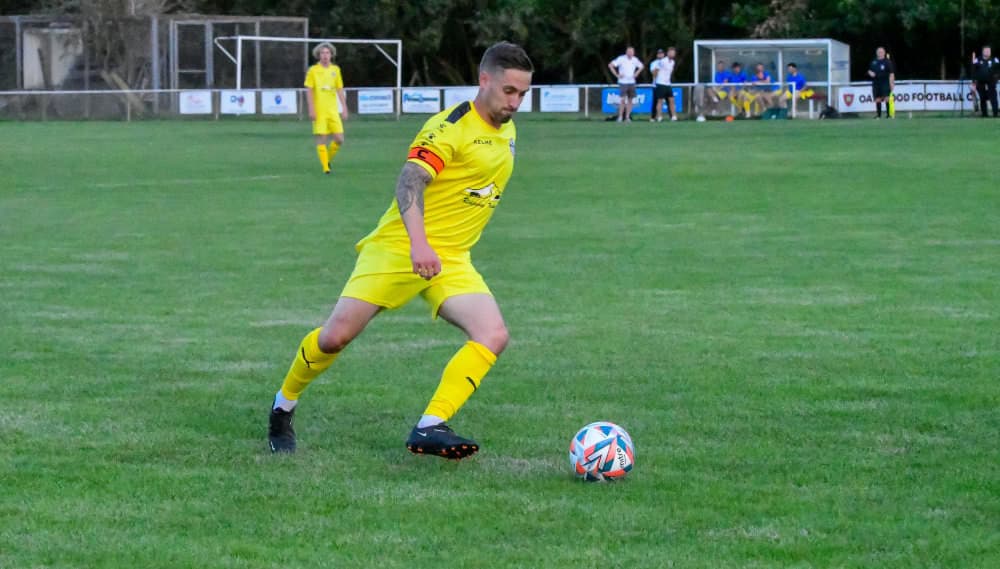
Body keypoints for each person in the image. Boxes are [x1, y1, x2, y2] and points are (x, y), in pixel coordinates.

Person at [267, 42, 534, 459]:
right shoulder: (450, 127)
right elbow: (409, 180)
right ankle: (282, 407)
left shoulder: (507, 129)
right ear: (484, 80)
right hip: (399, 246)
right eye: (509, 91)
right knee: (335, 338)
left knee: (493, 335)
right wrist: (419, 243)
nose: (515, 103)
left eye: (522, 94)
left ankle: (430, 426)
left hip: (451, 258)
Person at [305, 43, 348, 174]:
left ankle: (326, 160)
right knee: (322, 137)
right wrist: (311, 109)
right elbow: (309, 90)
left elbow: (339, 89)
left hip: (332, 110)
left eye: (327, 53)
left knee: (339, 139)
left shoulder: (336, 70)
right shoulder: (313, 70)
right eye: (322, 53)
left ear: (331, 55)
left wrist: (344, 108)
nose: (325, 55)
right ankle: (326, 168)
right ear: (318, 55)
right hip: (320, 110)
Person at [608, 47, 643, 122]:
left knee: (630, 100)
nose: (630, 53)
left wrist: (637, 73)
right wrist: (617, 75)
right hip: (623, 82)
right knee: (623, 100)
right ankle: (620, 117)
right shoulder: (621, 58)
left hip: (632, 82)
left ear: (633, 53)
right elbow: (610, 65)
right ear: (626, 52)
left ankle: (627, 117)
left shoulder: (635, 59)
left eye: (632, 52)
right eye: (629, 52)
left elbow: (641, 66)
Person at [649, 47, 678, 122]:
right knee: (660, 101)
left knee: (671, 100)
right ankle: (659, 116)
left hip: (668, 84)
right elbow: (655, 71)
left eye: (673, 53)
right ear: (668, 53)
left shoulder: (672, 62)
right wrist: (656, 80)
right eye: (671, 52)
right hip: (660, 83)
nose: (672, 54)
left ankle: (674, 116)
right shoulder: (662, 61)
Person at [867, 47, 895, 119]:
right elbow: (869, 70)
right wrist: (870, 73)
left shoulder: (887, 62)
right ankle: (878, 115)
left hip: (885, 83)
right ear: (876, 53)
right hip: (876, 83)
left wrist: (892, 83)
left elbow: (891, 73)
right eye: (878, 52)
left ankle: (889, 115)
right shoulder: (873, 62)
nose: (880, 53)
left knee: (887, 98)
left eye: (881, 52)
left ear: (884, 53)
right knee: (877, 99)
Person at [971, 45, 999, 118]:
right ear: (983, 52)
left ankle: (995, 114)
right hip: (980, 82)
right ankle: (984, 114)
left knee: (993, 98)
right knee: (982, 98)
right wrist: (973, 83)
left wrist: (996, 78)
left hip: (991, 82)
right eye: (986, 51)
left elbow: (998, 70)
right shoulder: (977, 60)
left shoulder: (995, 60)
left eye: (989, 51)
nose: (988, 52)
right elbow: (973, 71)